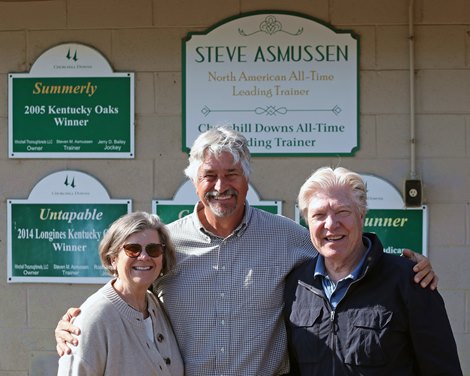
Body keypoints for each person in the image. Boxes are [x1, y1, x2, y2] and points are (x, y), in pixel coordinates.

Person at [55, 127, 437, 376]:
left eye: (231, 174)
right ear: (194, 182)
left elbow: (342, 251)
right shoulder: (165, 245)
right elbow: (126, 291)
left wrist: (404, 264)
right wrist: (76, 322)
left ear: (248, 178)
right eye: (210, 176)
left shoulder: (291, 238)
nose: (221, 185)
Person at [284, 166, 462, 375]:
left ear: (361, 215)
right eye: (319, 215)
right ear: (307, 222)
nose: (331, 224)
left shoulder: (410, 281)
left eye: (342, 211)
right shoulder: (296, 286)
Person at [57, 212, 184, 376]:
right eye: (133, 249)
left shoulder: (156, 305)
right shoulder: (95, 316)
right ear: (113, 259)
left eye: (153, 249)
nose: (144, 256)